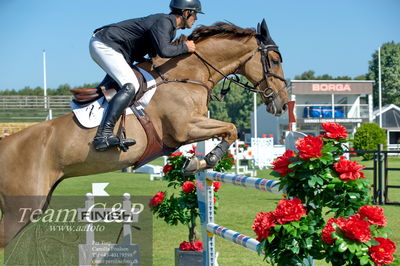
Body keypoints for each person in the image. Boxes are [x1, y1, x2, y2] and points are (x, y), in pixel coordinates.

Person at [89, 0, 203, 152]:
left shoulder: (170, 29)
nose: (196, 19)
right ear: (186, 13)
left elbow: (154, 56)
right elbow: (165, 51)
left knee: (127, 84)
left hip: (115, 49)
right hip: (106, 44)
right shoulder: (165, 21)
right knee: (131, 84)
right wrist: (185, 47)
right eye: (195, 14)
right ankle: (103, 136)